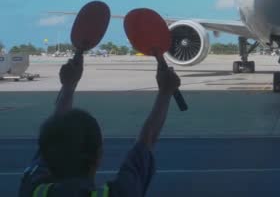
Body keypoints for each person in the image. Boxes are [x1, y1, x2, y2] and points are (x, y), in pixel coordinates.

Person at [19, 53, 181, 196]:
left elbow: (55, 138)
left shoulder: (32, 189)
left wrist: (68, 86)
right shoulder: (119, 193)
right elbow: (147, 140)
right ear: (98, 157)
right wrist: (165, 92)